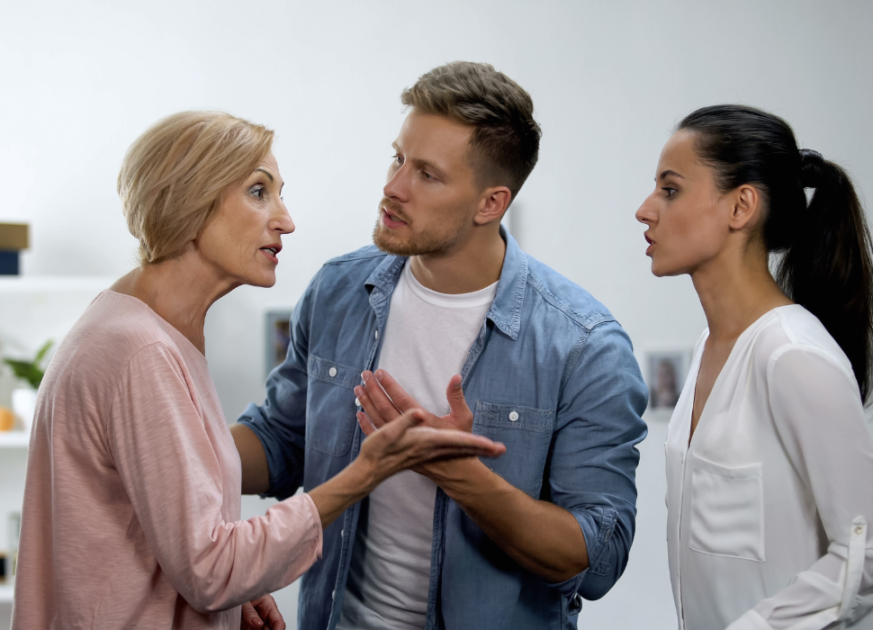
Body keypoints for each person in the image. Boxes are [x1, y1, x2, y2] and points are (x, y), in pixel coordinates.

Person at [11, 111, 505, 630]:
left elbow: (162, 526)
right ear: (189, 202)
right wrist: (369, 469)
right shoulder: (140, 352)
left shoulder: (144, 327)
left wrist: (230, 596)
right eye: (257, 191)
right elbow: (209, 567)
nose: (285, 220)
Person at [233, 61, 648, 630]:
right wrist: (167, 450)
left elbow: (598, 559)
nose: (393, 186)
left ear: (490, 203)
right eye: (398, 157)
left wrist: (461, 476)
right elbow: (280, 442)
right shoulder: (338, 291)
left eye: (427, 174)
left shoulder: (585, 347)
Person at [636, 104, 873, 629]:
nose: (645, 210)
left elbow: (865, 555)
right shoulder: (706, 348)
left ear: (741, 206)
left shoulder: (793, 356)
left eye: (670, 189)